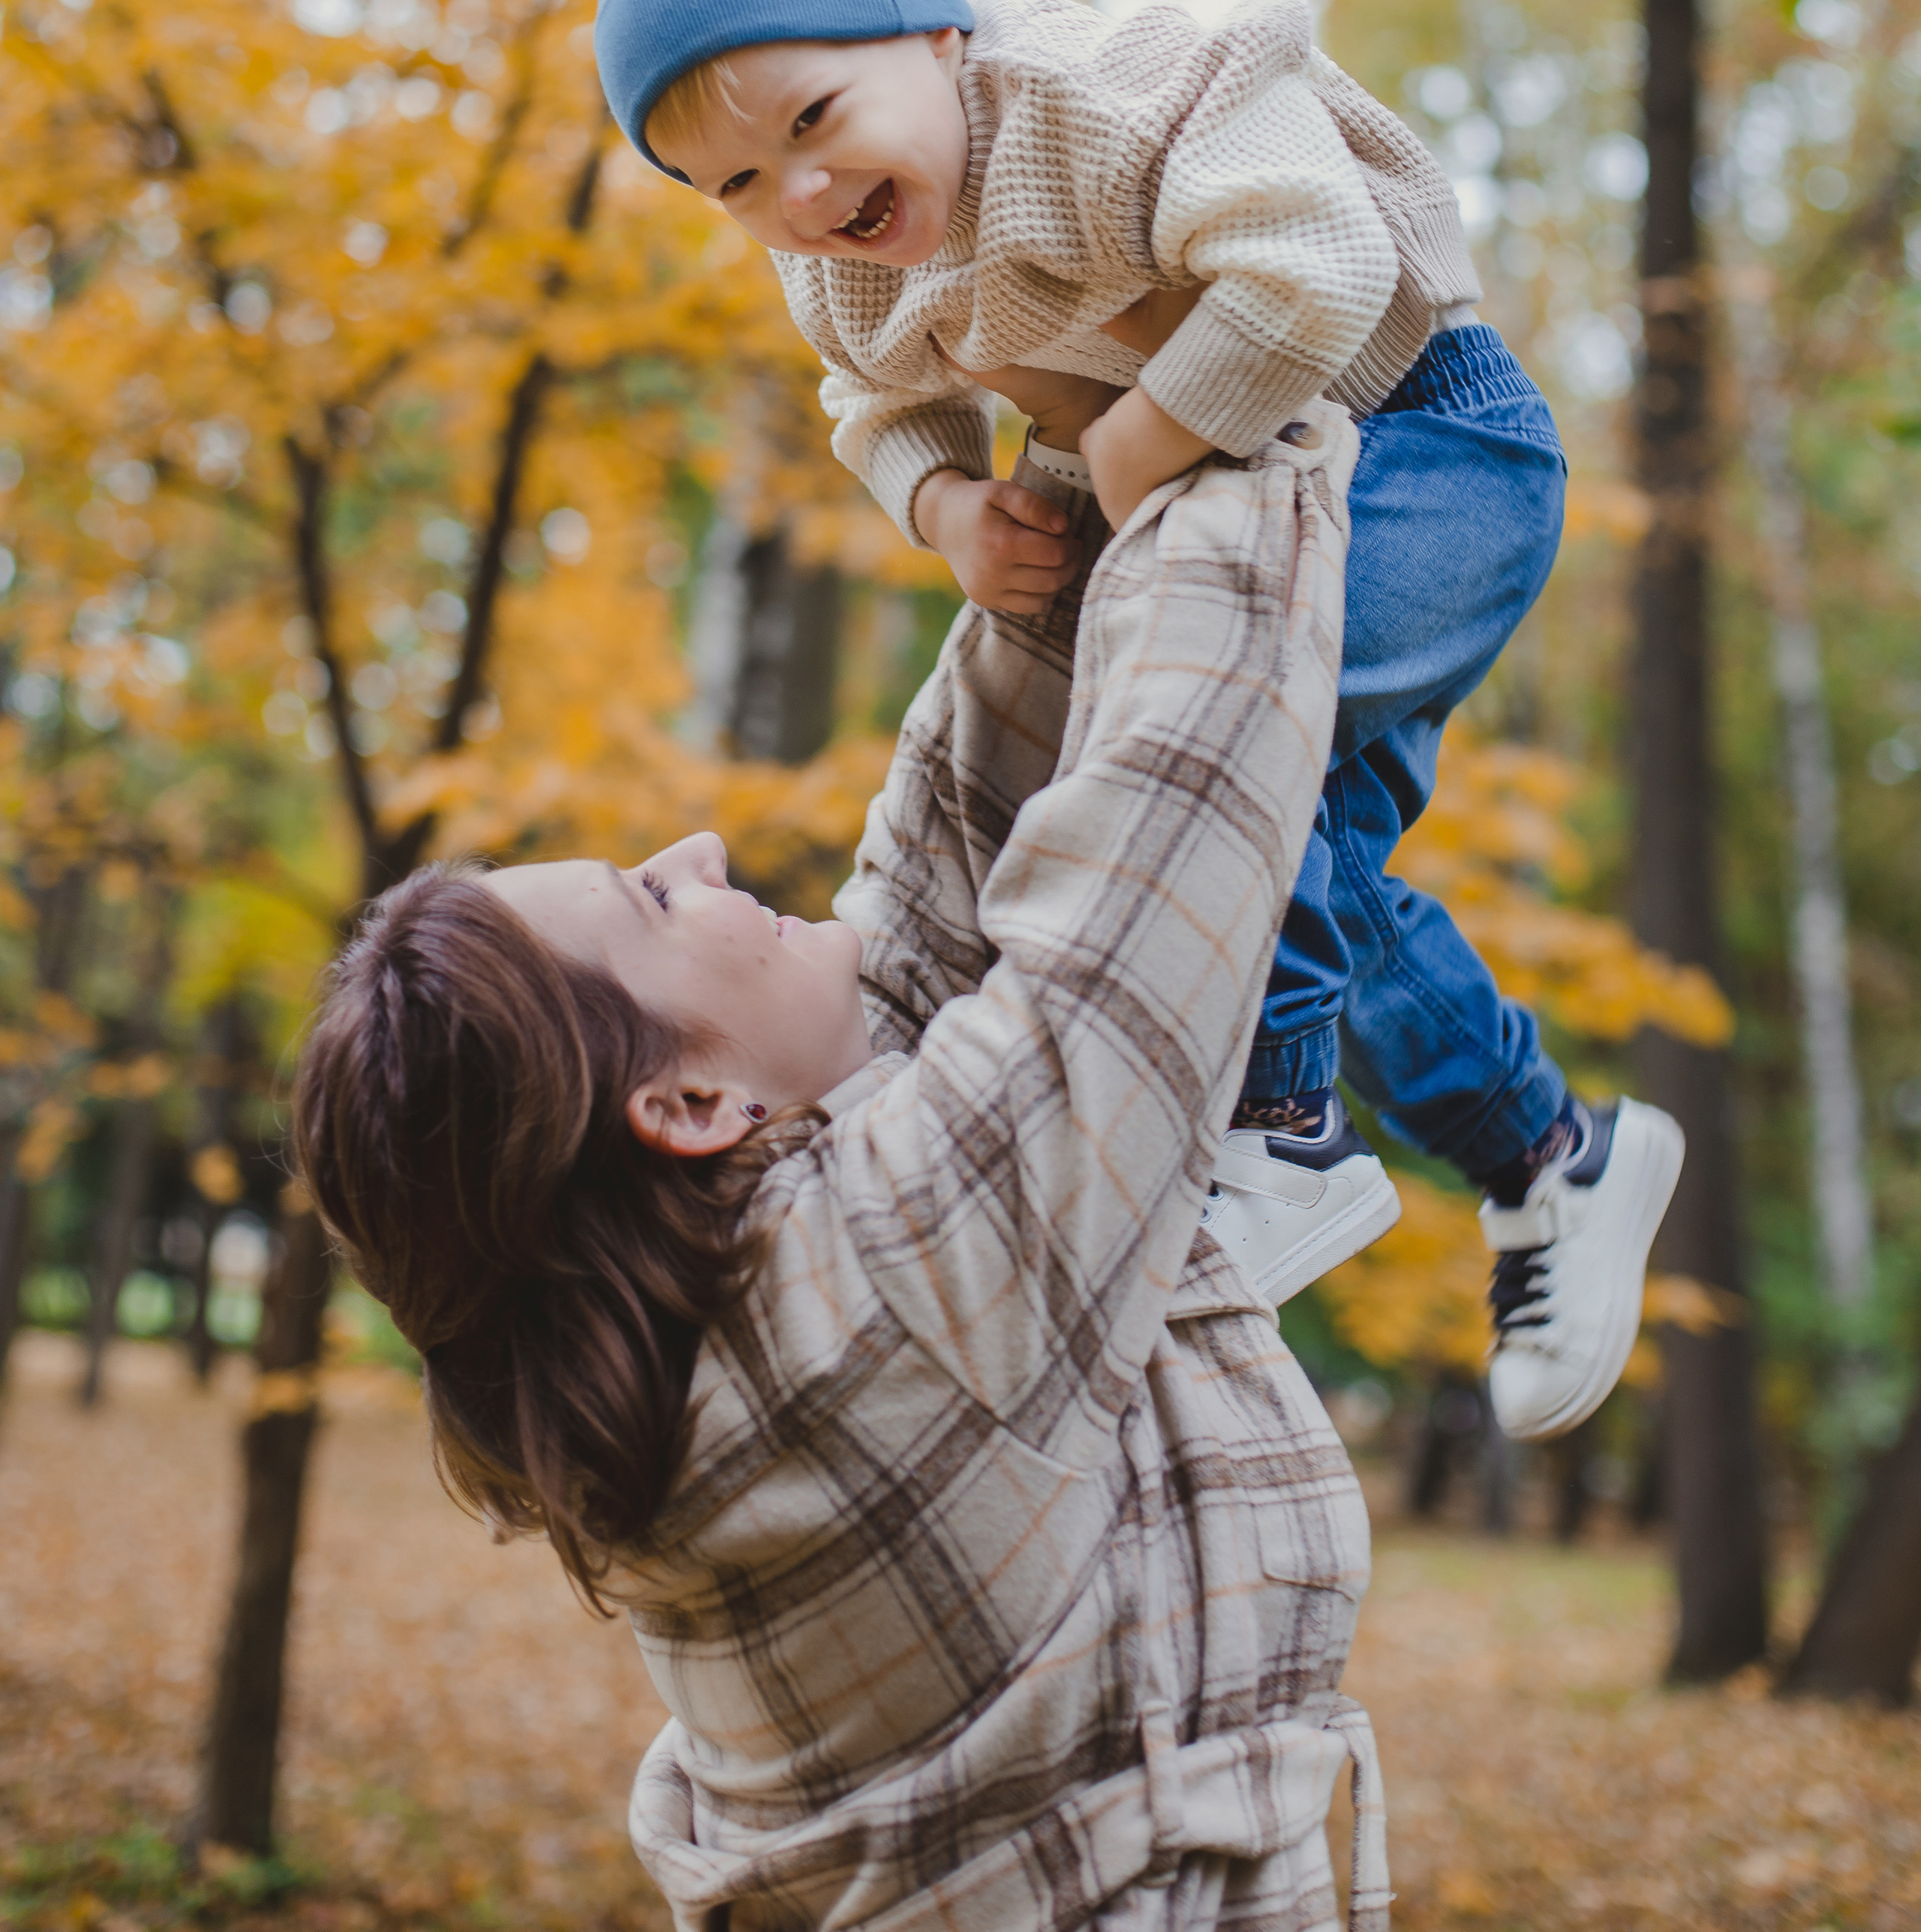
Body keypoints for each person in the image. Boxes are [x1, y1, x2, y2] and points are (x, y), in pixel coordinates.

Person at [579, 0, 1682, 1441]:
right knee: (1303, 861)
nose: (798, 194)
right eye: (733, 184)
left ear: (927, 21)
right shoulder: (850, 270)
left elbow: (1311, 267)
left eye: (812, 118)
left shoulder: (1104, 101)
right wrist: (944, 504)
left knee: (1231, 777)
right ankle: (1547, 1151)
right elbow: (870, 407)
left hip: (1426, 449)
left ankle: (1285, 1126)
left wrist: (1125, 452)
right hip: (1240, 510)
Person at [295, 408, 1391, 1930]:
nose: (697, 848)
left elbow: (941, 886)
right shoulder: (875, 1289)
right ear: (682, 1103)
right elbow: (1176, 818)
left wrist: (1070, 433)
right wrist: (1230, 391)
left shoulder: (736, 1282)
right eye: (648, 899)